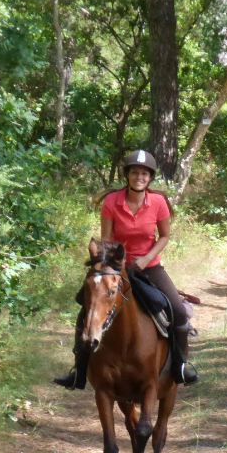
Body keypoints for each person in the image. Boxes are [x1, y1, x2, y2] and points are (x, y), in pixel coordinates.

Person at [53, 149, 199, 390]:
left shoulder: (159, 203)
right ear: (127, 175)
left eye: (143, 173)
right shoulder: (112, 202)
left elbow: (164, 236)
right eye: (134, 172)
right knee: (85, 308)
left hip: (149, 267)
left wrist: (146, 258)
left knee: (178, 312)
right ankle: (79, 371)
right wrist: (112, 265)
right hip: (116, 268)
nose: (138, 177)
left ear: (150, 177)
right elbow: (106, 240)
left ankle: (180, 366)